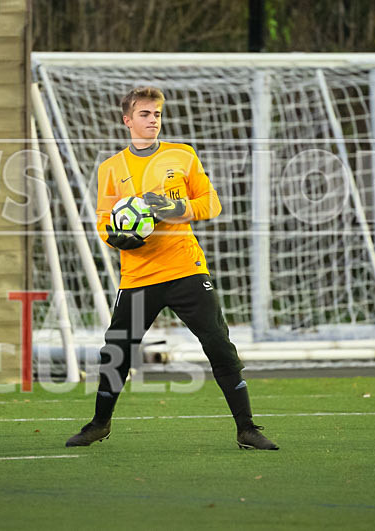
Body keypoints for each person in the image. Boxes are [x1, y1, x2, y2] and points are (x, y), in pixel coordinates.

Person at [65, 87, 278, 451]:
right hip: (139, 276)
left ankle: (247, 429)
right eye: (145, 114)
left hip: (186, 269)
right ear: (127, 120)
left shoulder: (182, 156)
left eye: (157, 115)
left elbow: (212, 204)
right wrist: (115, 238)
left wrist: (170, 209)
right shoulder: (110, 169)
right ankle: (99, 424)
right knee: (116, 350)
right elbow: (104, 221)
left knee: (219, 346)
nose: (153, 121)